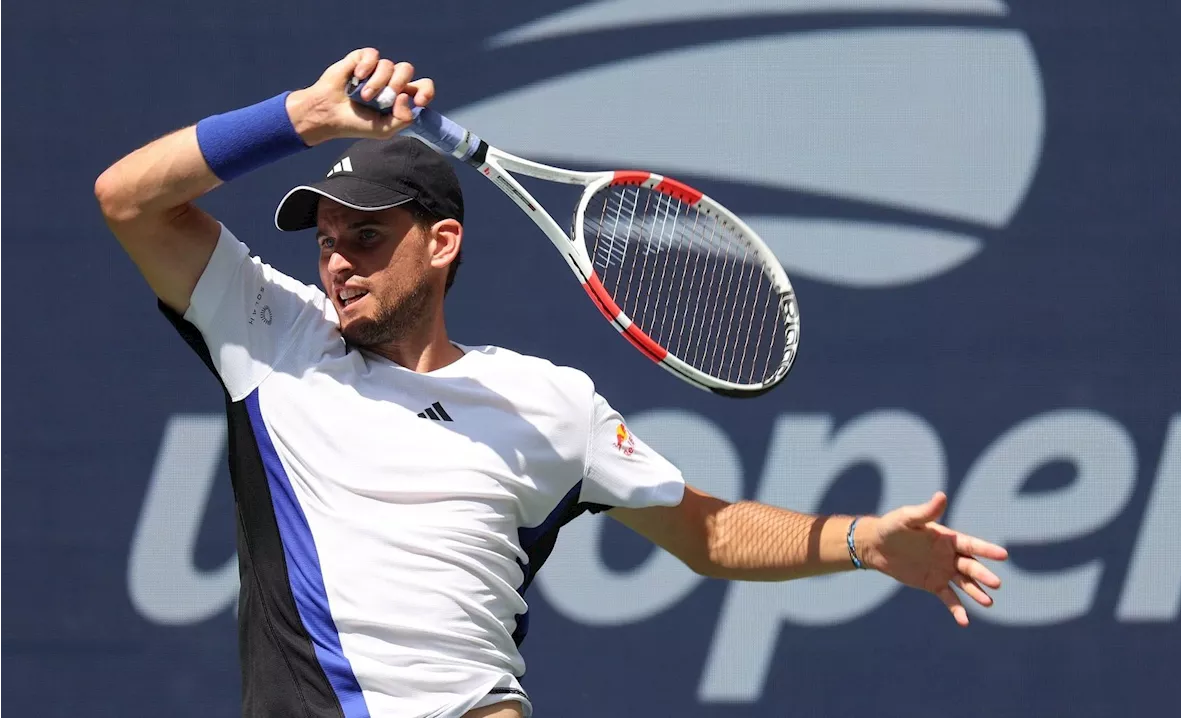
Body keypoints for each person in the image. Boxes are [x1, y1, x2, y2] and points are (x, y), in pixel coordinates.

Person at [94, 48, 1009, 718]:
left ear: (440, 244)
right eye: (326, 241)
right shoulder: (271, 332)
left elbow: (708, 531)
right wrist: (301, 117)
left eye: (366, 237)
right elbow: (127, 197)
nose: (338, 262)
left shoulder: (549, 402)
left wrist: (863, 542)